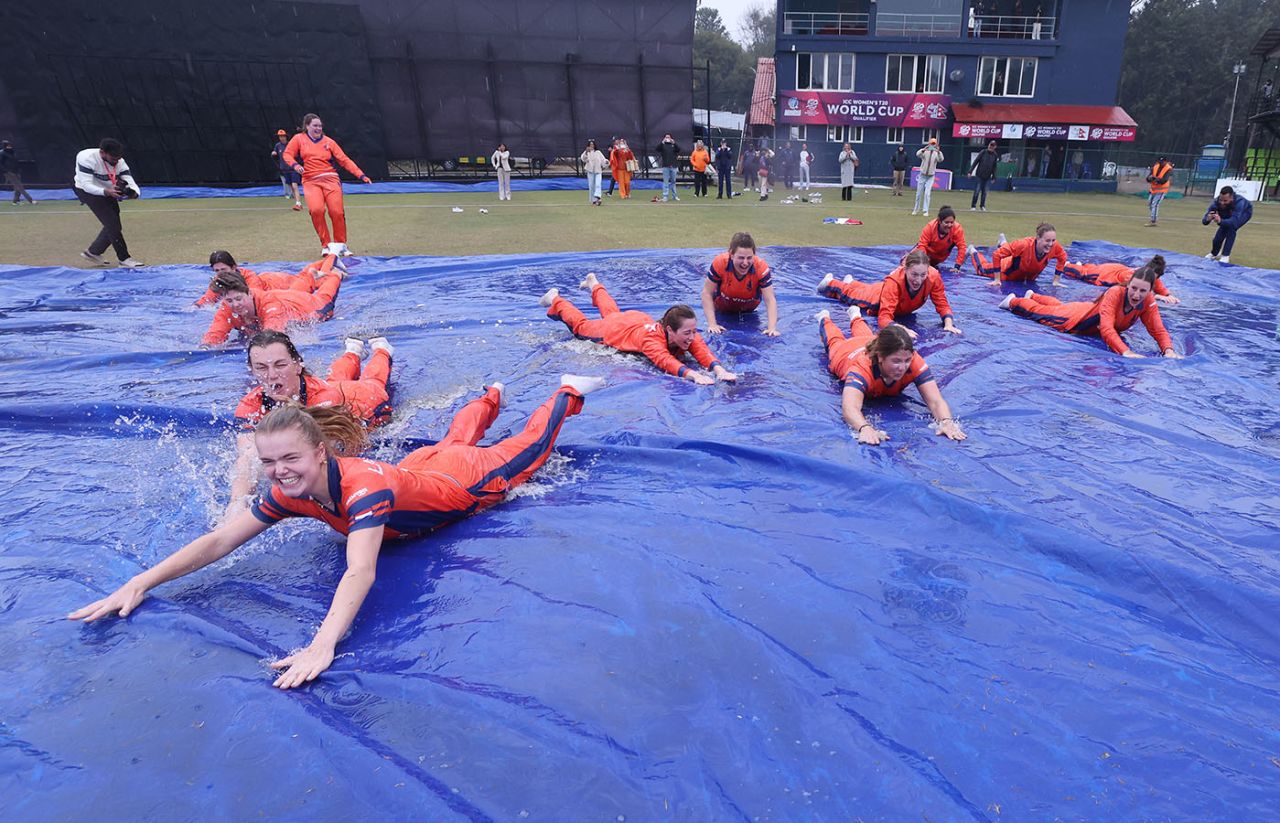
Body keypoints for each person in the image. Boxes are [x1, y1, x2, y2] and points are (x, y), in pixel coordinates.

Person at [68, 375, 604, 689]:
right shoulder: (289, 491)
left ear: (321, 452)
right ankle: (489, 395)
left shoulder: (362, 489)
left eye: (290, 459)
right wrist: (142, 582)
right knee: (449, 440)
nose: (279, 471)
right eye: (269, 461)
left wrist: (321, 645)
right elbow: (221, 540)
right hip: (420, 468)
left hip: (462, 486)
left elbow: (360, 569)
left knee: (528, 451)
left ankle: (564, 393)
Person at [224, 330, 395, 516]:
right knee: (335, 376)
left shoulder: (325, 398)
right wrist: (236, 503)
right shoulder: (250, 404)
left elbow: (326, 454)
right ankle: (352, 351)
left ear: (297, 365)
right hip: (331, 385)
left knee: (374, 379)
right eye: (261, 368)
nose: (271, 375)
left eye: (280, 365)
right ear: (252, 370)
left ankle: (382, 350)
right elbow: (248, 458)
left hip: (366, 399)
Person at [542, 273, 737, 385]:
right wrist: (693, 375)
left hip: (635, 321)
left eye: (694, 331)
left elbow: (701, 349)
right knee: (582, 327)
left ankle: (595, 284)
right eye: (687, 333)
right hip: (617, 329)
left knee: (612, 313)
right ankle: (555, 299)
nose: (692, 337)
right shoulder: (651, 341)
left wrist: (719, 370)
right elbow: (664, 360)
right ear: (670, 330)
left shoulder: (684, 331)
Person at [816, 306, 965, 445]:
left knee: (868, 336)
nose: (902, 367)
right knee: (835, 341)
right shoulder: (861, 369)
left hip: (868, 342)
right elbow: (850, 408)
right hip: (845, 352)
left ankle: (855, 317)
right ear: (880, 358)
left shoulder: (913, 361)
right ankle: (824, 318)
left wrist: (946, 421)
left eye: (907, 360)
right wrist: (864, 428)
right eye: (896, 361)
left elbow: (936, 401)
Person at [999, 265, 1183, 359]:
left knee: (1059, 306)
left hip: (1085, 309)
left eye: (1143, 291)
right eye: (1134, 288)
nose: (1136, 294)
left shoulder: (1148, 301)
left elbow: (1158, 329)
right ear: (1129, 284)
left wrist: (1168, 350)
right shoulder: (1115, 293)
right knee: (1043, 314)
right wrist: (1126, 352)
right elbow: (1107, 328)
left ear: (1151, 291)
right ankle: (1014, 300)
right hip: (1077, 321)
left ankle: (1034, 295)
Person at [201, 256, 344, 346]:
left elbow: (271, 335)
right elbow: (215, 334)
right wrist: (206, 346)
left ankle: (334, 271)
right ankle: (312, 276)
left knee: (325, 297)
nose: (235, 305)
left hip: (302, 304)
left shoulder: (269, 305)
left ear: (249, 293)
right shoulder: (227, 305)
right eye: (230, 301)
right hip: (283, 295)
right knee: (301, 283)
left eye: (239, 299)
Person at [282, 113, 372, 256]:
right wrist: (295, 165)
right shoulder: (299, 139)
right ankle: (326, 245)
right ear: (307, 126)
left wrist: (360, 174)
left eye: (320, 125)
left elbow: (344, 159)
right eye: (315, 126)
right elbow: (287, 154)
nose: (318, 128)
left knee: (336, 212)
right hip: (311, 180)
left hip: (330, 180)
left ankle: (341, 245)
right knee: (316, 210)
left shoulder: (329, 142)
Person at [816, 249, 960, 335]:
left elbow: (942, 302)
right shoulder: (894, 281)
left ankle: (852, 282)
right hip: (877, 300)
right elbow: (884, 318)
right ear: (905, 270)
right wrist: (900, 328)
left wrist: (948, 324)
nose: (918, 280)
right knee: (851, 296)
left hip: (885, 293)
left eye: (923, 275)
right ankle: (832, 283)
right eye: (914, 275)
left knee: (865, 288)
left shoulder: (933, 276)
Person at [74, 138, 144, 268]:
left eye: (118, 158)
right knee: (112, 224)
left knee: (113, 224)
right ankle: (124, 259)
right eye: (113, 158)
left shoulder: (120, 162)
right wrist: (106, 192)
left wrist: (133, 193)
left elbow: (130, 180)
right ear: (102, 153)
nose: (116, 162)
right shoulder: (86, 158)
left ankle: (93, 252)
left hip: (108, 190)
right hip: (87, 191)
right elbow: (87, 185)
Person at [702, 232, 779, 336]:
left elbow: (770, 299)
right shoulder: (720, 263)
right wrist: (712, 324)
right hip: (722, 309)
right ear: (731, 255)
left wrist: (772, 328)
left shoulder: (761, 268)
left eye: (749, 258)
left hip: (748, 310)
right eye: (741, 258)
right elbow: (706, 293)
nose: (745, 263)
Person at [194, 250, 325, 307]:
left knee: (305, 281)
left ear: (234, 267)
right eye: (217, 271)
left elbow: (256, 297)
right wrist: (197, 306)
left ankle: (331, 262)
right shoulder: (219, 280)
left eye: (224, 270)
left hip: (279, 283)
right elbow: (206, 300)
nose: (220, 274)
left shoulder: (249, 277)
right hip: (268, 280)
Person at [971, 222, 1067, 285]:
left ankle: (1003, 243)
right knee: (982, 270)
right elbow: (996, 255)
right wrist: (997, 279)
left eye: (1053, 240)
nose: (1050, 244)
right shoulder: (1023, 245)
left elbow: (1063, 257)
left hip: (1026, 277)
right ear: (1038, 238)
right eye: (1047, 241)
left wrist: (1056, 280)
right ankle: (972, 251)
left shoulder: (1055, 246)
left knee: (1010, 250)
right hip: (1006, 272)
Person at [1062, 255, 1179, 305]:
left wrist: (1168, 295)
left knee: (1091, 268)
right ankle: (1068, 265)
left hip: (1116, 268)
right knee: (1084, 273)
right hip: (1106, 274)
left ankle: (1081, 264)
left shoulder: (1152, 276)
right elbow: (1134, 291)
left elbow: (1160, 288)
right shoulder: (1133, 276)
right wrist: (1157, 296)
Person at [1203, 185, 1251, 264]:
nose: (1222, 202)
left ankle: (1225, 255)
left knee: (1231, 228)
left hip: (1245, 213)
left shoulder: (1240, 202)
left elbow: (1234, 221)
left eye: (1225, 201)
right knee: (1218, 238)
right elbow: (1204, 221)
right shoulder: (1216, 203)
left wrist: (1220, 221)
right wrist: (1208, 219)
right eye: (1221, 200)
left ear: (1232, 197)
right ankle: (1214, 253)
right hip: (1228, 212)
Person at [916, 205, 969, 272]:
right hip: (927, 255)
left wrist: (957, 266)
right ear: (939, 221)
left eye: (952, 222)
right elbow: (922, 245)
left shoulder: (957, 229)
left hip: (940, 258)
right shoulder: (930, 227)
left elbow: (962, 247)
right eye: (946, 222)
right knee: (906, 263)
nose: (949, 225)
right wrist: (924, 262)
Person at [271, 129, 303, 211]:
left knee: (294, 185)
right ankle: (297, 202)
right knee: (292, 187)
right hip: (284, 170)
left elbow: (297, 154)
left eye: (282, 136)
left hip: (293, 168)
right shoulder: (278, 146)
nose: (281, 138)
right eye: (280, 136)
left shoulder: (290, 144)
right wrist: (274, 153)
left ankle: (298, 203)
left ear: (286, 136)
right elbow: (275, 153)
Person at [912, 138, 943, 216]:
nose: (933, 145)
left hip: (931, 176)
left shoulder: (937, 153)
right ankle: (916, 209)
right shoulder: (925, 151)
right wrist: (924, 149)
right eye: (931, 144)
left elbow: (941, 159)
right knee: (918, 193)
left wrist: (939, 152)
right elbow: (917, 154)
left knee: (927, 193)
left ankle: (925, 211)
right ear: (929, 144)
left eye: (934, 144)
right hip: (922, 174)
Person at [2, 140, 34, 205]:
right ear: (5, 146)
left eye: (10, 145)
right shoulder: (2, 153)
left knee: (17, 187)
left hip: (16, 171)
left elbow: (16, 161)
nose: (9, 146)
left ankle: (15, 201)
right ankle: (30, 200)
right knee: (20, 187)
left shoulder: (12, 152)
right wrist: (6, 171)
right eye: (8, 145)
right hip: (8, 173)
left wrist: (18, 170)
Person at [969, 140, 998, 211]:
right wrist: (970, 171)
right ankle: (973, 206)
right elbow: (976, 162)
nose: (991, 147)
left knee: (984, 193)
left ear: (995, 147)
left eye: (992, 146)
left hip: (987, 177)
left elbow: (994, 167)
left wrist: (994, 177)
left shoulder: (995, 155)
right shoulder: (983, 152)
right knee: (977, 191)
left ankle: (982, 206)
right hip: (979, 175)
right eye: (990, 145)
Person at [1145, 155, 1173, 226]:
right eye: (1160, 161)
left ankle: (1153, 221)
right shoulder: (1155, 167)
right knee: (1150, 204)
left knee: (1155, 204)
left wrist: (1155, 178)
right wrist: (1149, 178)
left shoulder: (1168, 169)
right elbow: (1148, 177)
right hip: (1153, 189)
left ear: (1166, 162)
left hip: (1161, 190)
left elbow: (1164, 180)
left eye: (1162, 162)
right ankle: (1154, 217)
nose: (1161, 163)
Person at [580, 139, 608, 205]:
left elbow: (603, 160)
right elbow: (583, 159)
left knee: (598, 184)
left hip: (598, 171)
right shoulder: (587, 152)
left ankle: (598, 196)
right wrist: (586, 152)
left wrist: (606, 162)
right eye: (590, 145)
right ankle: (593, 200)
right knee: (591, 185)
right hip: (590, 171)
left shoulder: (598, 152)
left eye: (592, 144)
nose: (591, 146)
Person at [655, 133, 681, 202]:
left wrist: (674, 143)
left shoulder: (673, 145)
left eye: (669, 137)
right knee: (665, 182)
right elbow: (657, 149)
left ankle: (674, 196)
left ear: (671, 138)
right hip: (665, 166)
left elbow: (678, 150)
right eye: (666, 137)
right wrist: (662, 142)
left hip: (673, 166)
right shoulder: (663, 145)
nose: (667, 138)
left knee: (673, 182)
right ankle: (665, 196)